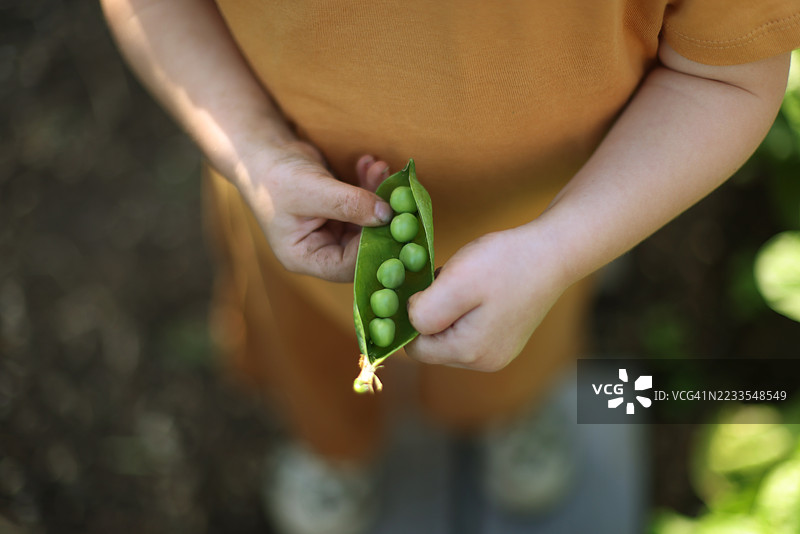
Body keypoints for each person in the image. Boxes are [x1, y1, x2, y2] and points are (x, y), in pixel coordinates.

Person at [101, 1, 800, 533]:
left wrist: (559, 248)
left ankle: (506, 417)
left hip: (550, 231)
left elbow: (727, 75)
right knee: (310, 368)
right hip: (284, 209)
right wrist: (252, 151)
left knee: (515, 362)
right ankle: (335, 451)